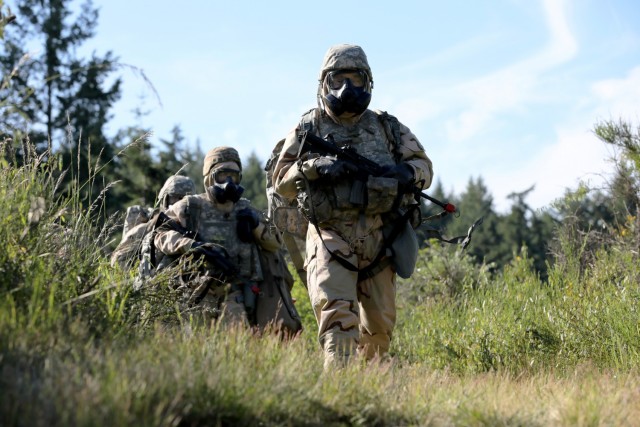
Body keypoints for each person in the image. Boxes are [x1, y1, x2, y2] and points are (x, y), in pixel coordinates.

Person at [272, 44, 433, 368]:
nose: (347, 88)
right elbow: (280, 183)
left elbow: (425, 169)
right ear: (324, 84)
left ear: (368, 82)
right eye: (338, 80)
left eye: (355, 79)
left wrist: (406, 172)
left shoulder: (388, 128)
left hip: (379, 237)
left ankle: (367, 396)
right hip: (329, 235)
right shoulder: (307, 129)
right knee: (338, 322)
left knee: (379, 330)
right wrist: (314, 167)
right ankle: (339, 393)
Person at [154, 146, 284, 327]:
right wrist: (189, 245)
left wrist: (256, 224)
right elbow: (160, 234)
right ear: (209, 178)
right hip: (195, 291)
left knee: (235, 346)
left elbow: (276, 243)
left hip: (235, 294)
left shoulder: (246, 210)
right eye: (222, 175)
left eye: (235, 175)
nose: (229, 181)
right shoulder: (190, 207)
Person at [110, 175, 196, 269]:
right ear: (165, 199)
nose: (180, 204)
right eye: (176, 198)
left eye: (185, 200)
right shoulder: (147, 228)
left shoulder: (194, 227)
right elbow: (117, 261)